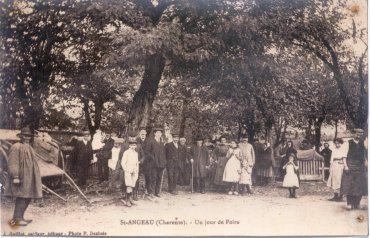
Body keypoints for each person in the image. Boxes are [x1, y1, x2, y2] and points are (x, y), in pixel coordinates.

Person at [7, 127, 42, 226]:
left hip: (30, 177)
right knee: (22, 196)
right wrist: (16, 176)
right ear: (21, 136)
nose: (27, 138)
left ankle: (21, 217)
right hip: (21, 177)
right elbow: (13, 163)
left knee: (28, 196)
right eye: (25, 136)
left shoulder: (30, 147)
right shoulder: (16, 147)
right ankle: (17, 219)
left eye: (29, 136)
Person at [340, 129, 367, 210]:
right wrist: (346, 166)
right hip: (350, 165)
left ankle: (357, 203)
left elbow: (365, 154)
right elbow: (344, 156)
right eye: (357, 134)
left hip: (360, 165)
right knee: (349, 185)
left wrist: (366, 163)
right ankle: (349, 203)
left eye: (361, 134)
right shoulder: (347, 143)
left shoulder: (363, 142)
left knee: (360, 185)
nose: (359, 136)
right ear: (354, 133)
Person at [146, 127, 166, 198]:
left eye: (160, 133)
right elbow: (147, 152)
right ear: (154, 133)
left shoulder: (162, 143)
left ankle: (157, 192)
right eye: (157, 133)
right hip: (153, 164)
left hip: (161, 164)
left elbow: (164, 154)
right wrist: (152, 158)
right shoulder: (150, 141)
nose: (158, 134)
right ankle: (150, 192)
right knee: (153, 178)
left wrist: (164, 162)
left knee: (159, 178)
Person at [121, 137, 139, 207]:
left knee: (132, 184)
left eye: (134, 145)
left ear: (136, 146)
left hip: (134, 171)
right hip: (128, 171)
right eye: (131, 145)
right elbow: (123, 162)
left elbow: (136, 163)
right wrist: (126, 169)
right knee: (128, 185)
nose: (133, 147)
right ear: (129, 145)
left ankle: (131, 199)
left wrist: (136, 170)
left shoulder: (136, 153)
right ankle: (127, 200)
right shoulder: (126, 152)